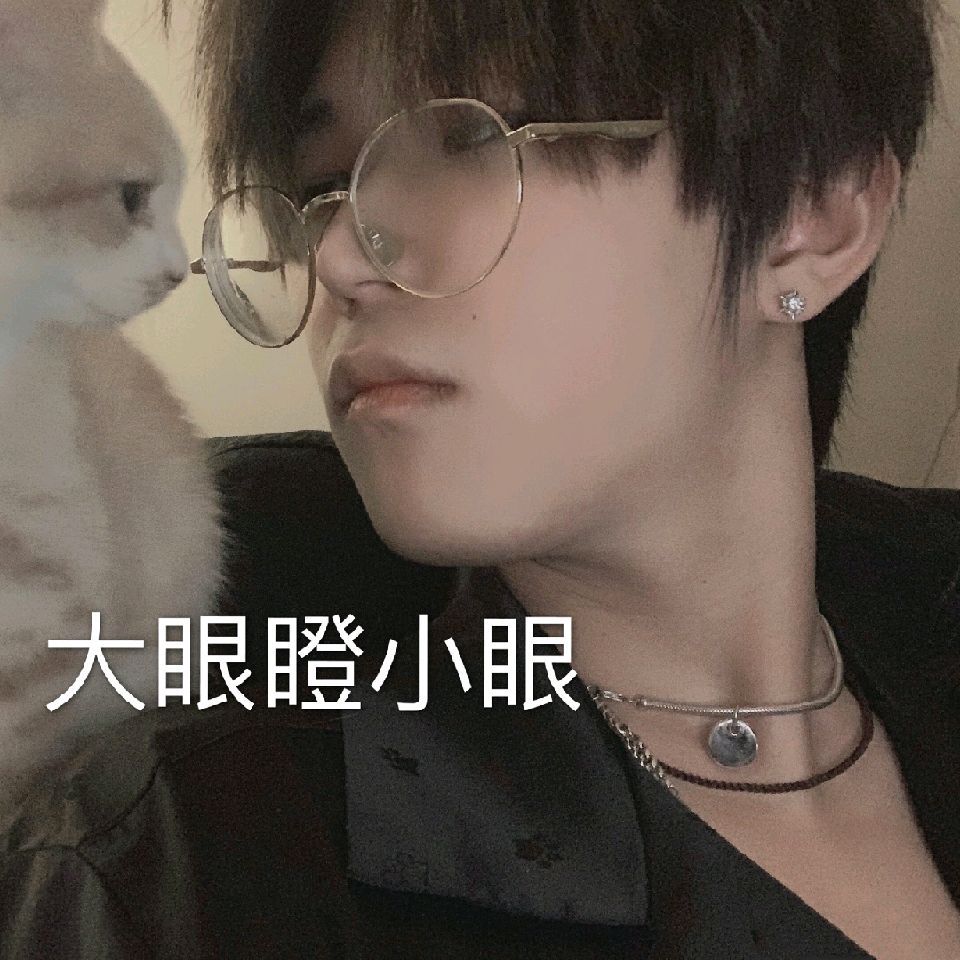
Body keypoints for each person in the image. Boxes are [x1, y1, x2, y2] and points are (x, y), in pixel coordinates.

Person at [2, 0, 960, 957]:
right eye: (322, 186)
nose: (337, 254)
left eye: (469, 141)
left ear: (810, 216)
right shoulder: (191, 863)